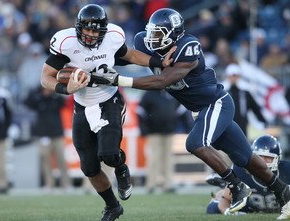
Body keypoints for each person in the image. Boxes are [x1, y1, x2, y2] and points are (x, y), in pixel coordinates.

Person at [91, 8, 290, 219]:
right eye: (152, 32)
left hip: (216, 103)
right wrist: (97, 57)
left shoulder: (188, 45)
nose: (152, 38)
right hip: (200, 109)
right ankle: (284, 193)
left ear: (174, 33)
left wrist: (117, 80)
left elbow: (162, 81)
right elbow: (125, 57)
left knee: (195, 144)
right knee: (245, 158)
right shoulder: (144, 41)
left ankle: (236, 185)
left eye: (159, 33)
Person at [40, 4, 173, 221]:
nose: (91, 35)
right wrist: (65, 88)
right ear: (78, 28)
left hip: (109, 100)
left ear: (104, 30)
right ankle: (113, 207)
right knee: (90, 168)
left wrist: (158, 61)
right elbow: (45, 77)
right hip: (81, 106)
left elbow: (129, 55)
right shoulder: (66, 43)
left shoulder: (113, 36)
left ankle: (120, 167)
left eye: (95, 31)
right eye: (87, 30)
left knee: (109, 155)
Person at [206, 135, 290, 217]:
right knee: (212, 209)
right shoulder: (241, 171)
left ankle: (224, 184)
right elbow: (225, 200)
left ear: (278, 158)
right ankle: (223, 186)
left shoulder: (287, 170)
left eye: (268, 157)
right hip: (247, 207)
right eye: (259, 156)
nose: (263, 161)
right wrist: (227, 211)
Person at [24, 86, 72, 192]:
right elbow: (27, 102)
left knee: (61, 160)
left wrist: (55, 91)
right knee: (45, 161)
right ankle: (49, 184)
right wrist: (37, 91)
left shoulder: (55, 99)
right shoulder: (39, 100)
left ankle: (66, 184)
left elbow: (65, 101)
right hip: (44, 136)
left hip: (57, 135)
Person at [137, 90, 178, 193]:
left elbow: (178, 110)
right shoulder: (149, 94)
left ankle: (167, 184)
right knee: (154, 157)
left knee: (168, 157)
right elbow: (141, 111)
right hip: (153, 131)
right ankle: (151, 184)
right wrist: (143, 129)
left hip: (169, 130)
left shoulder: (172, 93)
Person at [224, 63, 267, 137]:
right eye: (231, 76)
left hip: (242, 127)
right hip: (227, 127)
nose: (233, 78)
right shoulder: (224, 93)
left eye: (235, 76)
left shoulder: (245, 93)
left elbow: (255, 108)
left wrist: (263, 121)